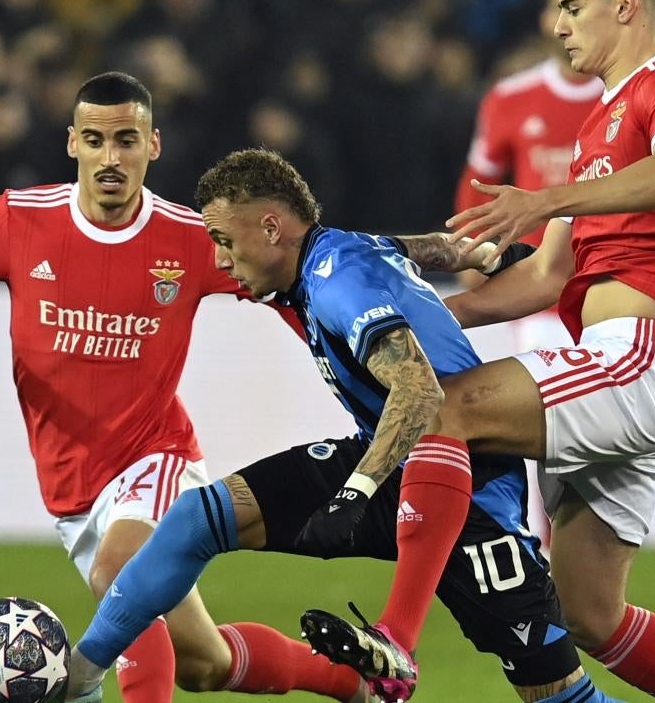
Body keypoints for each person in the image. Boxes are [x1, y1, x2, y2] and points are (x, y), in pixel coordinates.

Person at [300, 0, 655, 702]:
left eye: (574, 7)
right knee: (592, 614)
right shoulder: (592, 134)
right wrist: (423, 310)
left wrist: (544, 197)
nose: (559, 25)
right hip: (616, 362)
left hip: (645, 352)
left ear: (627, 5)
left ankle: (398, 643)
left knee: (444, 411)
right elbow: (546, 278)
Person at [62, 147, 618, 703]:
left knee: (556, 696)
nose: (222, 260)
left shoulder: (336, 284)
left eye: (225, 241)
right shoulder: (338, 257)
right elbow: (419, 250)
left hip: (466, 489)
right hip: (388, 459)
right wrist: (481, 252)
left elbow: (421, 392)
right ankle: (82, 676)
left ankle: (392, 658)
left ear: (272, 227)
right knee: (194, 519)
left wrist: (355, 494)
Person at [0, 73, 369, 703]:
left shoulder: (190, 237)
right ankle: (353, 682)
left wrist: (348, 348)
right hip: (70, 488)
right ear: (73, 145)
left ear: (153, 145)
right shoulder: (17, 219)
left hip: (157, 457)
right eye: (95, 140)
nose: (111, 157)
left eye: (126, 140)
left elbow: (289, 282)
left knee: (118, 572)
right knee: (203, 662)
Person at [453, 0, 603, 256]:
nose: (565, 21)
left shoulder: (630, 93)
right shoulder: (508, 96)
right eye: (557, 8)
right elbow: (477, 185)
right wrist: (471, 252)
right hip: (532, 271)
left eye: (576, 9)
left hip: (609, 269)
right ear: (543, 19)